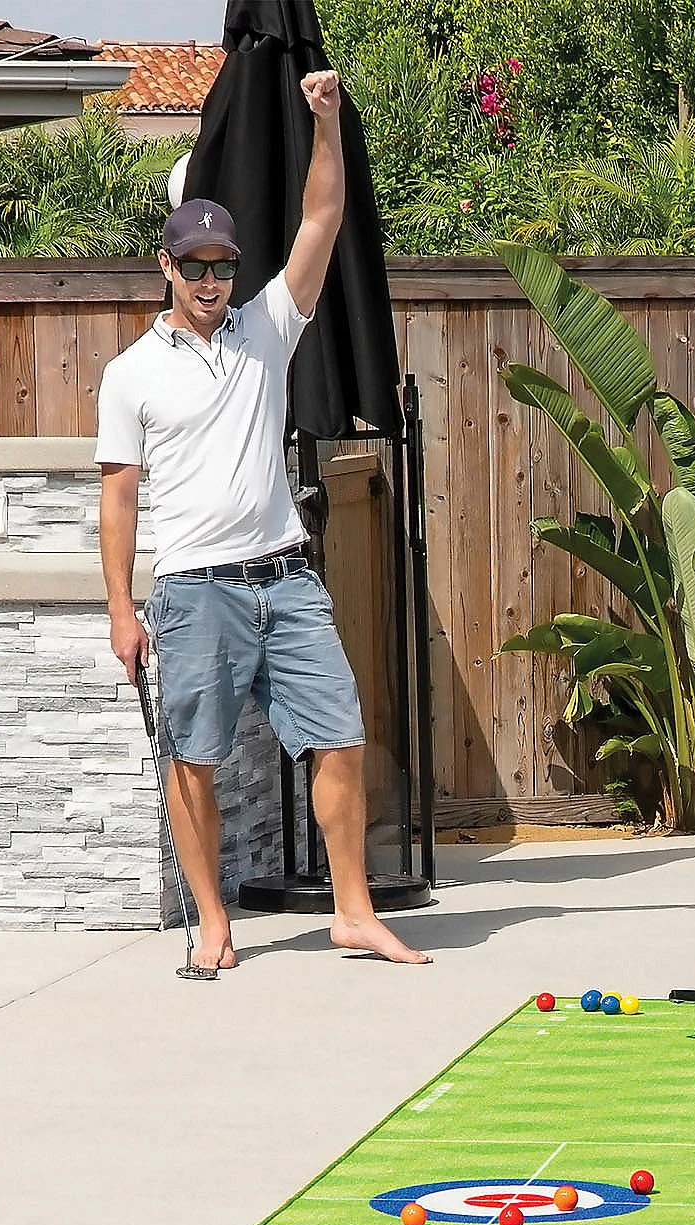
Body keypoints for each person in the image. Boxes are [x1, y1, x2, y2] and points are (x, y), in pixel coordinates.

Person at [95, 69, 429, 972]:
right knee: (192, 759)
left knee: (341, 738)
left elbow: (322, 217)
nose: (211, 279)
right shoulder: (130, 375)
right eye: (195, 265)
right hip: (194, 591)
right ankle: (213, 923)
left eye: (224, 265)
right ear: (167, 266)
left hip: (286, 577)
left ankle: (353, 912)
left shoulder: (267, 329)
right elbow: (119, 496)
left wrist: (326, 124)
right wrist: (121, 610)